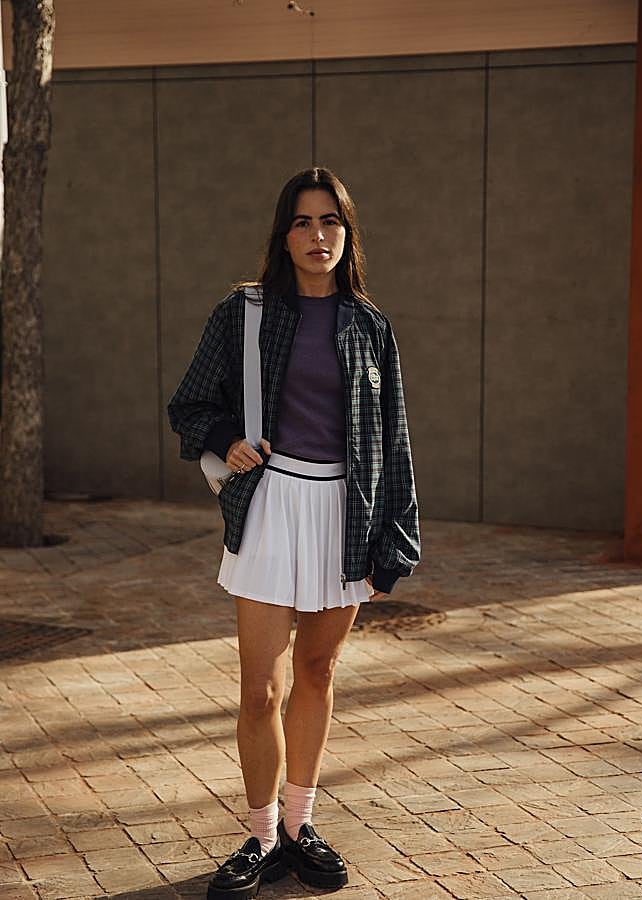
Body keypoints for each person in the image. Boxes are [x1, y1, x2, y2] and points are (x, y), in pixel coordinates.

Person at [168, 167, 420, 900]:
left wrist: (394, 539)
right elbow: (191, 404)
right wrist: (227, 438)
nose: (319, 236)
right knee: (259, 688)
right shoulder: (243, 313)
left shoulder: (370, 326)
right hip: (272, 507)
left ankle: (302, 827)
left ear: (348, 233)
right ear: (284, 235)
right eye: (305, 223)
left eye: (331, 222)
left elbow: (393, 439)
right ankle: (260, 834)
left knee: (317, 675)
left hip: (346, 512)